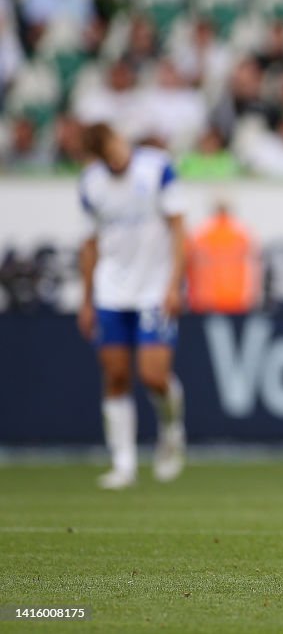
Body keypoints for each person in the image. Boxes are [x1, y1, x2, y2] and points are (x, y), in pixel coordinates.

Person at [77, 123, 187, 490]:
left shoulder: (157, 168)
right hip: (111, 290)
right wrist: (87, 298)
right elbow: (90, 243)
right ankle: (123, 463)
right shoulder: (91, 184)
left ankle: (171, 430)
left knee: (154, 376)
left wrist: (174, 285)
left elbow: (178, 228)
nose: (119, 156)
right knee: (116, 375)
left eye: (119, 147)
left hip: (154, 288)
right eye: (110, 154)